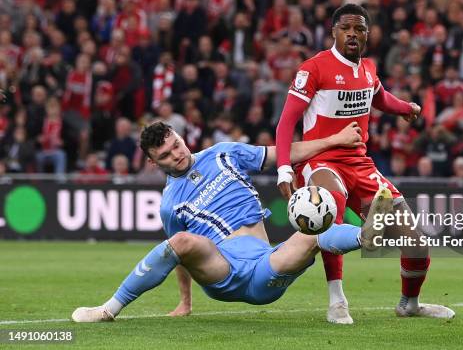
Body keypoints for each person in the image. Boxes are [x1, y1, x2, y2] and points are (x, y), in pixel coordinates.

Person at [71, 121, 394, 322]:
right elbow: (178, 258)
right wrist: (185, 302)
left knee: (311, 232)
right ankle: (108, 310)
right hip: (222, 272)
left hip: (265, 266)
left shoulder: (224, 153)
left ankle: (365, 237)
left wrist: (332, 140)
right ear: (154, 163)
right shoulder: (170, 203)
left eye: (176, 146)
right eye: (166, 156)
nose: (176, 155)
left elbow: (282, 153)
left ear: (181, 138)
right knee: (181, 241)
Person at [275, 4, 454, 324]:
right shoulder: (314, 69)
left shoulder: (369, 69)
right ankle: (337, 300)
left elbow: (379, 97)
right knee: (332, 212)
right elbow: (287, 122)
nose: (353, 34)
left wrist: (404, 108)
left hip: (362, 164)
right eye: (346, 28)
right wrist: (284, 168)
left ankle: (409, 304)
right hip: (322, 160)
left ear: (368, 34)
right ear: (334, 32)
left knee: (414, 240)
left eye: (360, 29)